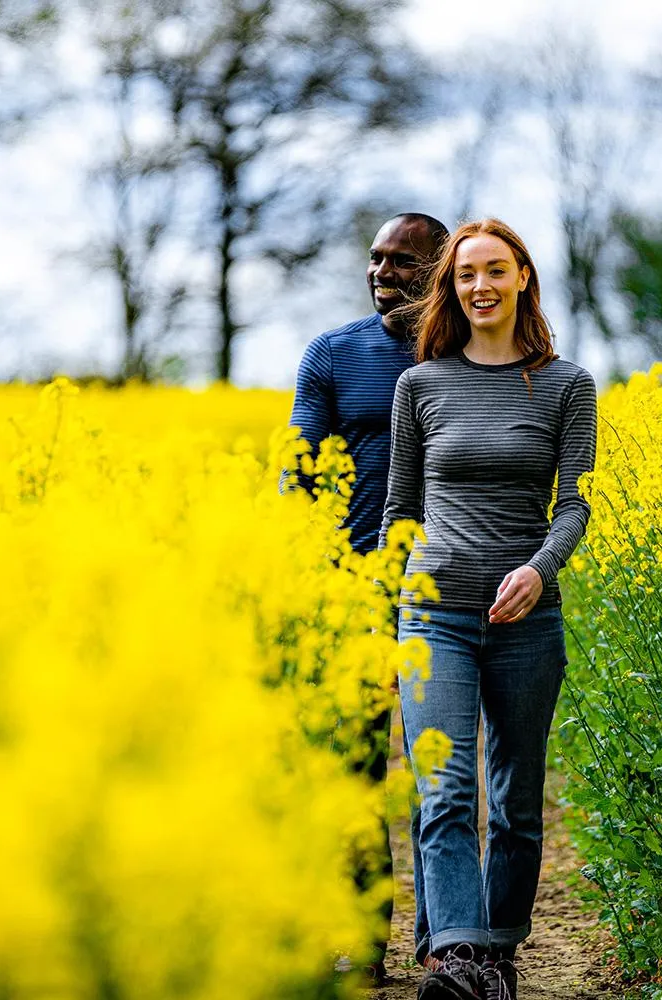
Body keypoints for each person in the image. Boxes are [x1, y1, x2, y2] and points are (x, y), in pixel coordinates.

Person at [379, 218, 598, 1000]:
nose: (481, 286)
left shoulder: (567, 385)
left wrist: (539, 571)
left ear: (523, 279)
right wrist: (383, 615)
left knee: (515, 801)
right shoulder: (420, 385)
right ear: (452, 287)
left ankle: (496, 953)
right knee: (445, 790)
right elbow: (400, 511)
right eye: (467, 274)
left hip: (526, 619)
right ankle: (460, 957)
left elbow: (573, 505)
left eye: (495, 271)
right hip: (431, 609)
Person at [282, 212, 449, 986]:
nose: (382, 272)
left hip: (448, 596)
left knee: (441, 781)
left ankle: (447, 949)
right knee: (352, 777)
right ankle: (359, 947)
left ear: (441, 266)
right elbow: (299, 475)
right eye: (376, 260)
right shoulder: (333, 353)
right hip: (352, 594)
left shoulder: (471, 353)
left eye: (403, 261)